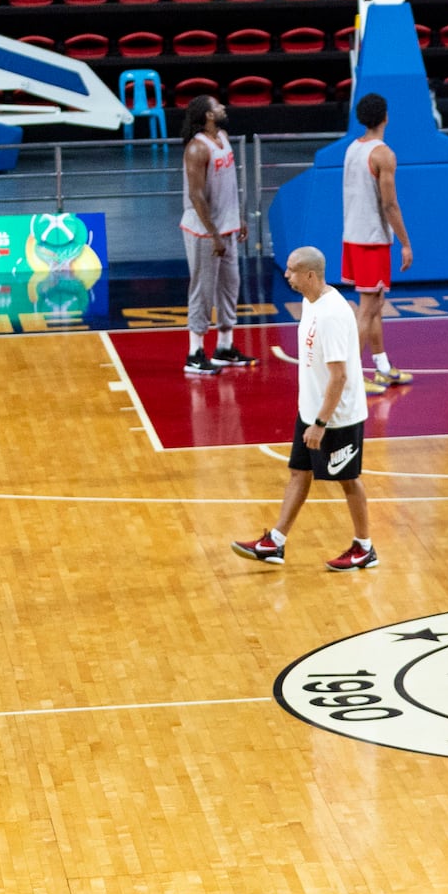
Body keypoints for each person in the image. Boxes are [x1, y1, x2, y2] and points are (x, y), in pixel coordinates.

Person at [231, 245, 377, 571]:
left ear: (310, 274)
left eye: (292, 270)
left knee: (348, 480)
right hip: (310, 412)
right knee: (299, 471)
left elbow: (339, 376)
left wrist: (321, 423)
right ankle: (276, 543)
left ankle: (365, 547)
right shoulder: (311, 303)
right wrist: (310, 415)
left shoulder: (332, 314)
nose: (286, 275)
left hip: (336, 418)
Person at [340, 91, 414, 392]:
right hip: (371, 239)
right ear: (386, 117)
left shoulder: (352, 149)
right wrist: (405, 242)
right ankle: (352, 377)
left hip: (353, 235)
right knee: (368, 309)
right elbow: (389, 205)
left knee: (375, 303)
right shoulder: (383, 154)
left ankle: (382, 366)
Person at [178, 95, 250, 375]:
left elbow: (229, 185)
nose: (223, 108)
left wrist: (238, 216)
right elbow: (196, 196)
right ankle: (194, 352)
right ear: (208, 115)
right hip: (205, 232)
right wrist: (214, 235)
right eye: (217, 106)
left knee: (230, 286)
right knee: (202, 289)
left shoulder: (223, 137)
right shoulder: (197, 148)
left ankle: (224, 347)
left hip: (227, 226)